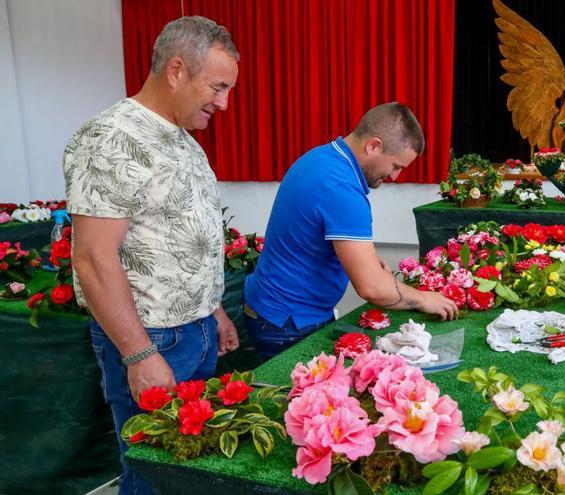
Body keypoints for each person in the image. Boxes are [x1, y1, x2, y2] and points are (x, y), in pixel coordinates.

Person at [63, 16, 240, 495]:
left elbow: (184, 234)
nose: (223, 103)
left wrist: (214, 310)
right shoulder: (111, 137)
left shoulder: (184, 140)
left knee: (185, 467)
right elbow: (93, 258)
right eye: (217, 87)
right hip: (153, 339)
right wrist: (139, 353)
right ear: (177, 71)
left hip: (196, 330)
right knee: (151, 471)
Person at [244, 102, 459, 359]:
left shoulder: (324, 158)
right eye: (396, 166)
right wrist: (423, 299)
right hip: (287, 321)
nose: (395, 177)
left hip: (270, 308)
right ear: (373, 146)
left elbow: (318, 237)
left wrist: (366, 261)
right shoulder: (342, 188)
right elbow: (371, 288)